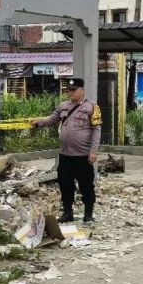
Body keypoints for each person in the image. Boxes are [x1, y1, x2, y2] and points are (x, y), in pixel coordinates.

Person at [30, 77, 102, 223]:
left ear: (82, 90)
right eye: (69, 90)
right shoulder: (63, 106)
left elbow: (96, 131)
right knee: (65, 184)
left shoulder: (92, 107)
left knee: (86, 185)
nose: (71, 93)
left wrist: (94, 151)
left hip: (83, 155)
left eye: (74, 90)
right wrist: (39, 122)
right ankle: (68, 213)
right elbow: (52, 120)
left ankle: (88, 214)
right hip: (66, 154)